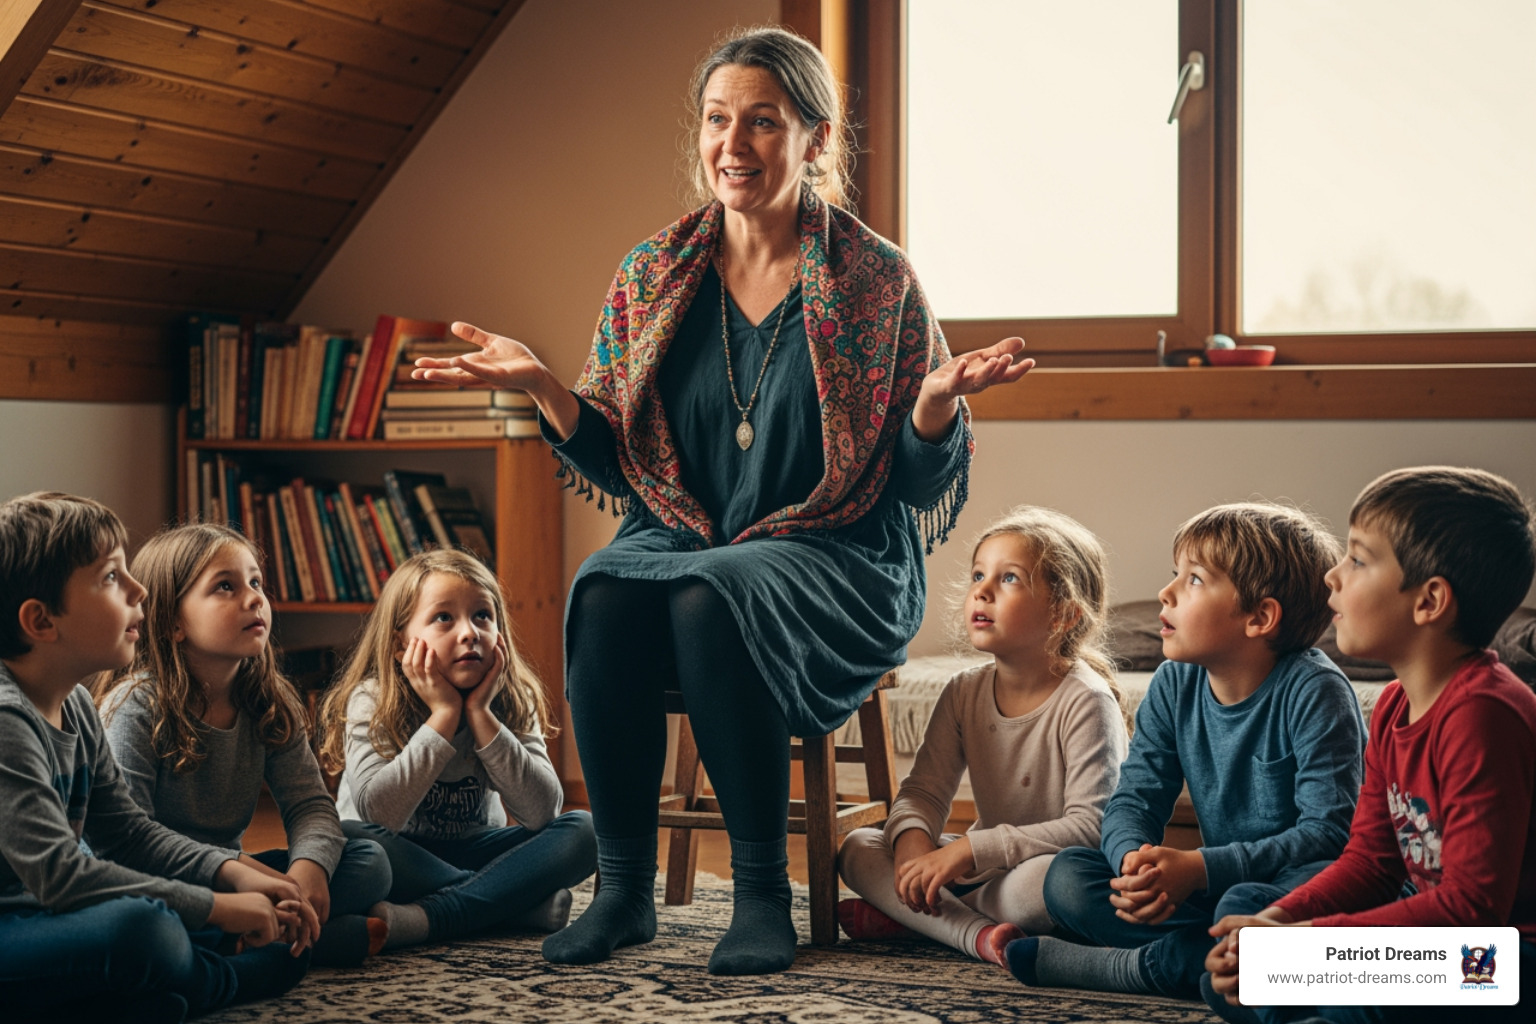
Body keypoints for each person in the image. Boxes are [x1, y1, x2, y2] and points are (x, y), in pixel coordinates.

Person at [409, 26, 1030, 975]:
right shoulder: (652, 273)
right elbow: (620, 461)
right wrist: (542, 386)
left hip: (839, 553)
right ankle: (622, 893)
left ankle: (760, 895)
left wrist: (935, 406)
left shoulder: (876, 280)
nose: (732, 145)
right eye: (715, 120)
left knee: (710, 594)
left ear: (816, 139)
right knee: (604, 588)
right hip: (685, 537)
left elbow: (911, 484)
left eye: (762, 122)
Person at [1203, 467, 1536, 1024]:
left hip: (1500, 956)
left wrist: (1311, 943)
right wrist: (1280, 920)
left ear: (1429, 600)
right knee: (1244, 930)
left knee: (1358, 996)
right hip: (1429, 934)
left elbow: (1471, 911)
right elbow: (1371, 862)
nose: (1332, 576)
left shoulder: (1484, 713)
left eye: (1357, 560)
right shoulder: (1393, 705)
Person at [1006, 502, 1365, 999]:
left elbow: (1328, 836)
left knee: (1242, 908)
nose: (1166, 592)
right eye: (1176, 573)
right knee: (1067, 877)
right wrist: (1135, 863)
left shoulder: (1316, 691)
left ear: (1260, 617)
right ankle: (1210, 958)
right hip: (1210, 889)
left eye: (1194, 579)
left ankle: (1145, 966)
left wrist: (1200, 867)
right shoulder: (1174, 682)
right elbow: (1133, 799)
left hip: (1289, 889)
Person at [0, 493, 318, 1023]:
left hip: (48, 918)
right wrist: (217, 907)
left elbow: (128, 835)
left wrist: (231, 873)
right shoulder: (7, 720)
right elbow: (63, 877)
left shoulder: (75, 704)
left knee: (178, 929)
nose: (140, 590)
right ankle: (214, 981)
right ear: (41, 620)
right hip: (20, 923)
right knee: (147, 930)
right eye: (111, 577)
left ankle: (139, 997)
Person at [836, 506, 1128, 964]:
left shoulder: (1087, 700)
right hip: (982, 870)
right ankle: (975, 933)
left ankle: (920, 920)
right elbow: (923, 792)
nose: (982, 591)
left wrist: (968, 851)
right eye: (978, 575)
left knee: (1047, 884)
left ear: (1063, 614)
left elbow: (1091, 828)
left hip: (1040, 870)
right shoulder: (963, 691)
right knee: (858, 847)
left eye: (1009, 578)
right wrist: (914, 851)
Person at [94, 524, 393, 967]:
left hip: (237, 873)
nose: (254, 598)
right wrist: (243, 873)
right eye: (225, 586)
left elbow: (310, 805)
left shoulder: (269, 701)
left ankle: (264, 932)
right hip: (161, 876)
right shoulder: (135, 707)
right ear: (173, 622)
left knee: (369, 859)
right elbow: (127, 843)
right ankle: (299, 940)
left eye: (256, 582)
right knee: (144, 918)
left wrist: (306, 872)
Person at [316, 548, 596, 951]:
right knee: (349, 838)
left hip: (477, 850)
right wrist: (444, 715)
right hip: (399, 857)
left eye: (482, 615)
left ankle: (433, 917)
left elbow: (542, 812)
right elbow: (378, 813)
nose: (469, 632)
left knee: (584, 832)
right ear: (400, 644)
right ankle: (509, 904)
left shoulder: (511, 700)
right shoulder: (373, 700)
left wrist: (481, 714)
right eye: (443, 618)